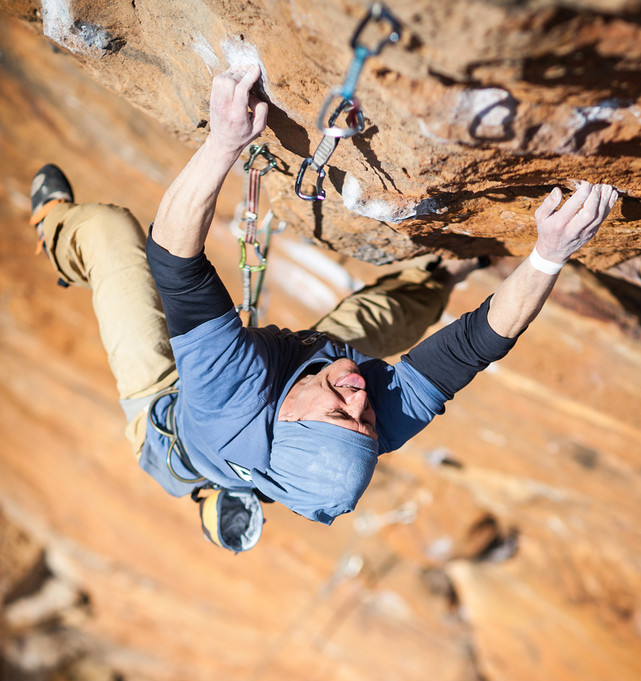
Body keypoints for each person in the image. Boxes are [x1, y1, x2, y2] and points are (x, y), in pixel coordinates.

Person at [30, 66, 618, 551]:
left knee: (109, 231)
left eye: (341, 412)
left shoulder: (226, 399)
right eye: (365, 421)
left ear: (291, 420)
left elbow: (175, 264)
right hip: (281, 391)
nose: (359, 397)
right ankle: (441, 273)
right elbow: (474, 346)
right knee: (375, 325)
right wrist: (547, 255)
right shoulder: (368, 424)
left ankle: (53, 226)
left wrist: (224, 141)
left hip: (169, 414)